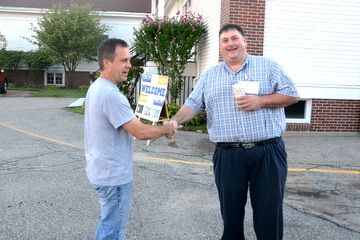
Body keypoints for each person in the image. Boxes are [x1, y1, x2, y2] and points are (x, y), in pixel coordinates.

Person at [166, 24, 299, 240]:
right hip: (228, 155)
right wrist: (174, 121)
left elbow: (292, 95)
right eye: (225, 40)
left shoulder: (268, 66)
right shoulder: (210, 76)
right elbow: (192, 104)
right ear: (220, 46)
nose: (230, 44)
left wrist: (261, 101)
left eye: (234, 38)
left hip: (267, 152)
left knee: (269, 214)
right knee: (231, 214)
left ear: (245, 41)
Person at [84, 38, 174, 240]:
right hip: (113, 176)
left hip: (101, 170)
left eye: (129, 60)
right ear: (107, 63)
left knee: (108, 226)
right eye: (124, 60)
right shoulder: (111, 95)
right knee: (114, 233)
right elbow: (140, 132)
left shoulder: (96, 87)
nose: (129, 65)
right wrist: (165, 128)